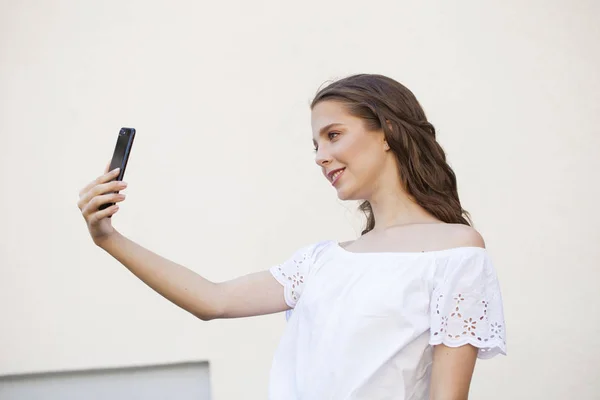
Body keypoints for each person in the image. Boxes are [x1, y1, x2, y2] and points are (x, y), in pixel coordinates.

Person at [77, 74, 506, 399]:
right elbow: (212, 300)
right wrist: (108, 237)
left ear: (388, 131)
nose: (321, 157)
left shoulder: (455, 251)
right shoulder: (319, 263)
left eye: (333, 135)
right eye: (315, 145)